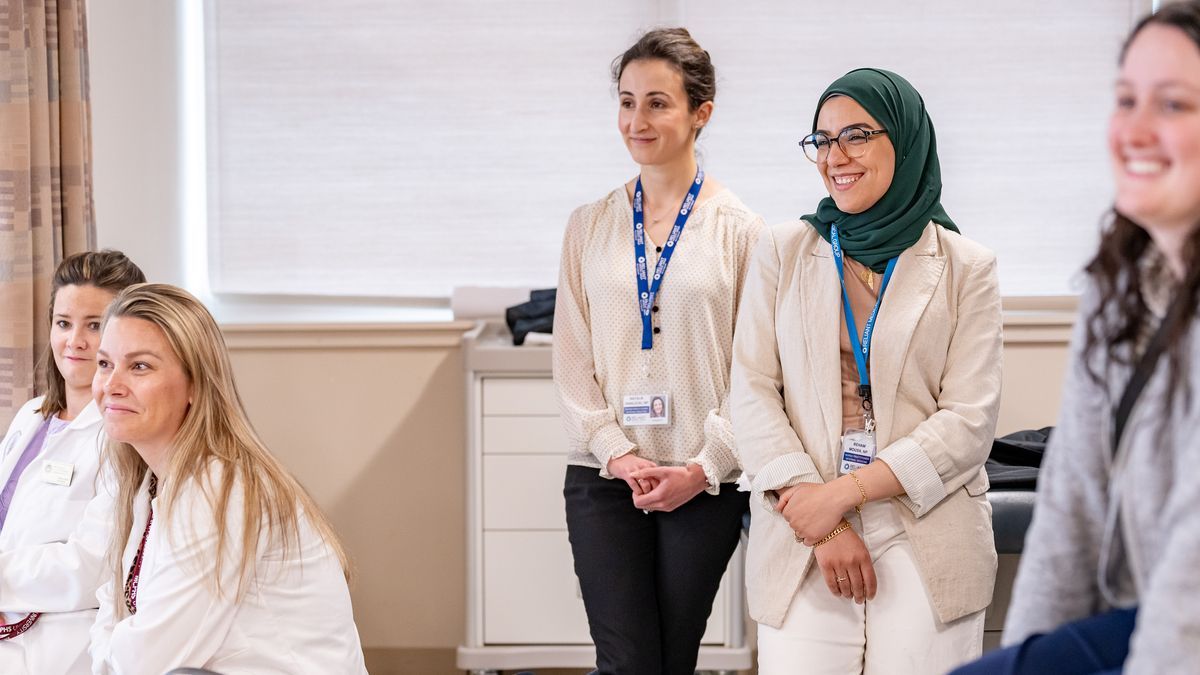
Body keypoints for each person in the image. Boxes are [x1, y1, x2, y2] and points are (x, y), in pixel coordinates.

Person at [953, 3, 1200, 674]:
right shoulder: (1120, 285)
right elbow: (1072, 512)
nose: (1136, 130)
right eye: (1126, 100)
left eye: (1173, 104)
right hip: (1140, 617)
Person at [730, 68, 1002, 674]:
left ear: (904, 143)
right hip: (804, 525)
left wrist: (845, 494)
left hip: (924, 519)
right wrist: (821, 519)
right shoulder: (781, 251)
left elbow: (969, 420)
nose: (835, 157)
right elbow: (749, 391)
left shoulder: (967, 267)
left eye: (855, 135)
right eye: (822, 140)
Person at [553, 27, 764, 675]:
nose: (635, 120)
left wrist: (704, 465)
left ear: (701, 113)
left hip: (705, 479)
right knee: (628, 660)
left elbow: (756, 371)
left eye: (657, 102)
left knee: (670, 660)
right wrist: (616, 451)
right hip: (605, 476)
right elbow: (571, 356)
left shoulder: (742, 232)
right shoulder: (590, 223)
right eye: (626, 101)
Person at [88, 284, 367, 674]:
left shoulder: (219, 490)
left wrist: (107, 646)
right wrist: (113, 643)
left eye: (140, 366)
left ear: (195, 386)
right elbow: (115, 600)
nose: (111, 385)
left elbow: (146, 659)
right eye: (105, 364)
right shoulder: (151, 483)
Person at [0, 250, 145, 674]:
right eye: (63, 323)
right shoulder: (31, 416)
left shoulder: (121, 435)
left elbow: (92, 565)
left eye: (94, 326)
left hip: (54, 644)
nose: (74, 341)